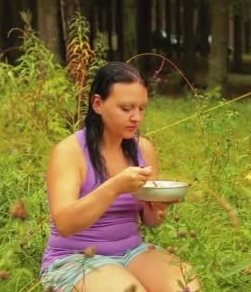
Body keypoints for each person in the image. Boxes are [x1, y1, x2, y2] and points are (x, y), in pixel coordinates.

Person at [40, 62, 200, 292]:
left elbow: (151, 221)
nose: (136, 117)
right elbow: (65, 224)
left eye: (142, 108)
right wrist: (114, 187)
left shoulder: (143, 149)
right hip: (75, 258)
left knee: (185, 284)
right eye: (126, 108)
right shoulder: (69, 152)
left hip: (132, 252)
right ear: (98, 104)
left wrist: (157, 209)